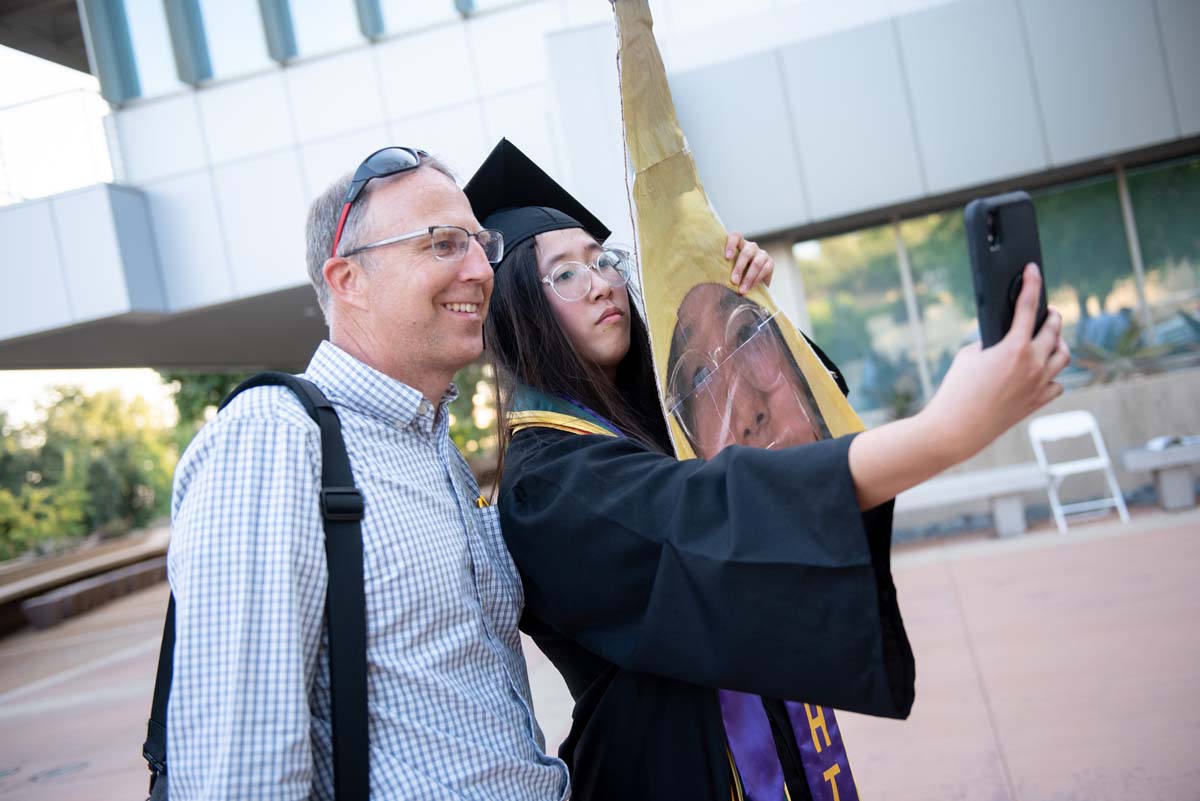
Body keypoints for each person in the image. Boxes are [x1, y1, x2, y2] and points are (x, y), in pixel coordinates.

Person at [465, 139, 1071, 801]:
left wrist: (747, 313)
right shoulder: (541, 479)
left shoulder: (643, 421)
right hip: (666, 766)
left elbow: (787, 440)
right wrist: (945, 431)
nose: (604, 282)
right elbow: (710, 513)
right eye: (566, 273)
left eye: (601, 260)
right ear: (519, 308)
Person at [165, 146, 568, 800]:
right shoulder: (274, 439)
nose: (480, 268)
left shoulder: (431, 446)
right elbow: (240, 772)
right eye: (441, 244)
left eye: (477, 242)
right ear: (348, 279)